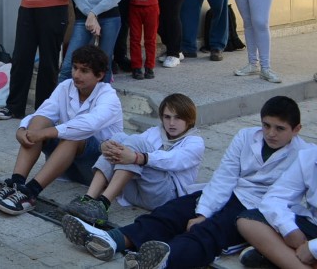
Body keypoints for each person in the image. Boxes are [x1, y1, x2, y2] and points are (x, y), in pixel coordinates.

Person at [62, 96, 307, 269]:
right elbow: (224, 177)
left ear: (296, 129)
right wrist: (203, 211)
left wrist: (205, 218)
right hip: (231, 191)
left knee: (209, 232)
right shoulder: (245, 136)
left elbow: (280, 199)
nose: (271, 133)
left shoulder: (304, 154)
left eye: (280, 128)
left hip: (257, 209)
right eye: (266, 125)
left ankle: (165, 259)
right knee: (174, 211)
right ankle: (113, 240)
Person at [0, 45, 122, 215]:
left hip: (95, 169)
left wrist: (45, 133)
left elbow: (89, 124)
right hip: (64, 163)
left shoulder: (109, 97)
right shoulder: (66, 86)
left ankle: (30, 193)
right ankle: (16, 184)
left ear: (100, 75)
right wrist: (23, 129)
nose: (76, 75)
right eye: (74, 68)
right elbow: (44, 112)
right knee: (39, 121)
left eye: (84, 71)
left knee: (74, 135)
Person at [63, 93, 203, 226]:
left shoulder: (195, 142)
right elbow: (128, 145)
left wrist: (138, 158)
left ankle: (103, 203)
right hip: (136, 193)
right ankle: (88, 199)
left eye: (177, 118)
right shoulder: (156, 131)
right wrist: (105, 145)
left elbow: (174, 160)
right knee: (118, 140)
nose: (171, 123)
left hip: (165, 196)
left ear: (189, 119)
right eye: (167, 117)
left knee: (135, 143)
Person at [237, 142, 317, 268]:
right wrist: (289, 229)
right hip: (313, 227)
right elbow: (275, 197)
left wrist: (312, 248)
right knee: (248, 221)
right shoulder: (309, 156)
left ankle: (278, 258)